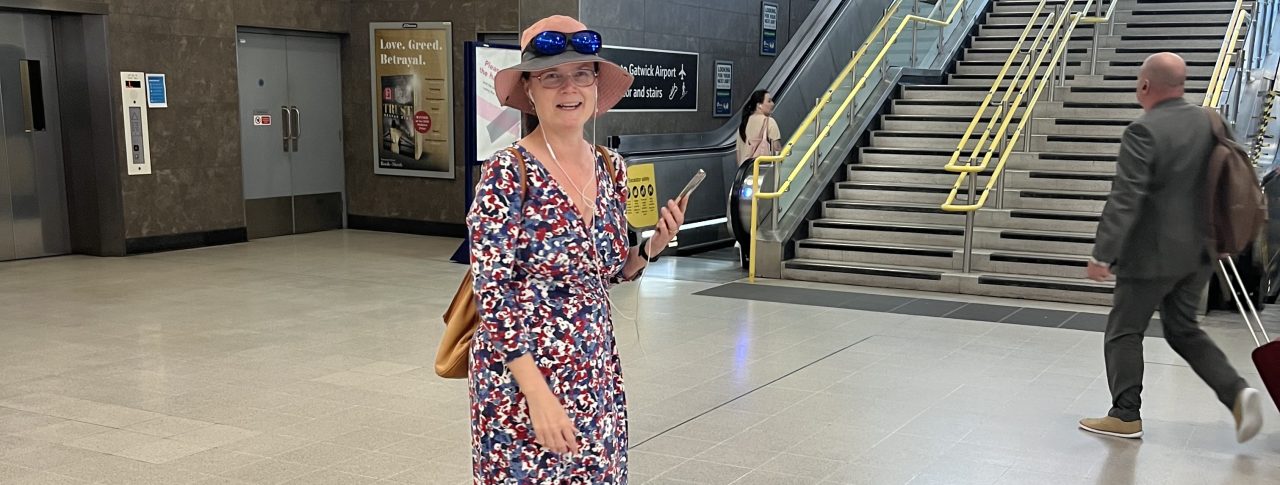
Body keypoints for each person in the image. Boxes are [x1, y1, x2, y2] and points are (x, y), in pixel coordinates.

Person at [468, 15, 689, 483]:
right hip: (521, 380)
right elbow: (493, 296)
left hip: (594, 373)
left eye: (581, 73)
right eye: (551, 76)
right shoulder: (507, 174)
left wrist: (651, 247)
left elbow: (610, 272)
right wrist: (537, 394)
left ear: (595, 83)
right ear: (529, 88)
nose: (569, 88)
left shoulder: (612, 168)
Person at [1081, 52, 1264, 443]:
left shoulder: (1143, 130)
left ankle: (1125, 414)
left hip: (1150, 255)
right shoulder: (1209, 120)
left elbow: (1126, 197)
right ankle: (1237, 393)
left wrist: (1103, 253)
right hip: (1199, 253)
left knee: (1124, 331)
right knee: (1184, 330)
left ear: (1144, 86)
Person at [735, 89, 782, 165]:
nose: (772, 104)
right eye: (769, 101)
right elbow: (776, 149)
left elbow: (738, 154)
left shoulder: (743, 125)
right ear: (759, 105)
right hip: (762, 172)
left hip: (745, 172)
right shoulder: (769, 121)